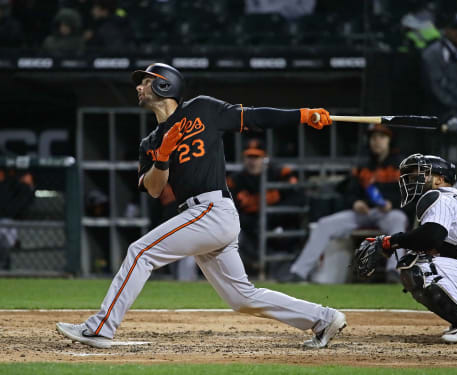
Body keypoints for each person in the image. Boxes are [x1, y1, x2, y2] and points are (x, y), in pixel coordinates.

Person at [56, 62, 346, 349]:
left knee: (139, 252)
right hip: (199, 215)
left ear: (164, 84)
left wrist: (303, 115)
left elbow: (255, 117)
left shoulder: (203, 109)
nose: (139, 87)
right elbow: (155, 190)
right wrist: (162, 157)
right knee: (241, 298)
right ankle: (324, 318)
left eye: (145, 81)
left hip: (213, 209)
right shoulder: (151, 142)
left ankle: (99, 328)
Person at [355, 153, 457, 343]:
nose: (413, 180)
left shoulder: (437, 195)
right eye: (411, 176)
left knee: (415, 264)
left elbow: (430, 236)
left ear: (440, 179)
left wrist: (390, 241)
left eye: (421, 175)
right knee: (422, 255)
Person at [282, 123, 409, 283]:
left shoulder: (401, 165)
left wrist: (393, 203)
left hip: (387, 212)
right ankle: (298, 272)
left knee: (398, 219)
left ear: (390, 140)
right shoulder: (363, 165)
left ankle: (394, 272)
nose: (377, 141)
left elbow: (409, 194)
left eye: (382, 137)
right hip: (363, 213)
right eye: (373, 137)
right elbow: (349, 191)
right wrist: (355, 202)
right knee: (324, 224)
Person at [227, 138, 305, 275]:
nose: (252, 161)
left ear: (265, 158)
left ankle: (286, 272)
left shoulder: (279, 174)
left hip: (278, 221)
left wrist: (272, 214)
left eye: (256, 157)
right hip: (249, 225)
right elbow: (229, 208)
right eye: (249, 157)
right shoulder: (236, 179)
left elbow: (299, 198)